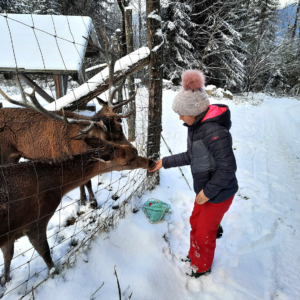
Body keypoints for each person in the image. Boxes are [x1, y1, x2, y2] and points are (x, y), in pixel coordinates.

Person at [149, 70, 238, 278]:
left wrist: (208, 192)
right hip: (207, 190)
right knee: (195, 223)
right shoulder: (197, 127)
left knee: (205, 232)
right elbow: (192, 155)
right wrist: (164, 162)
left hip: (219, 193)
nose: (180, 118)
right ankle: (194, 256)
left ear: (194, 111)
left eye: (181, 113)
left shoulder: (215, 132)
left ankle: (202, 266)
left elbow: (228, 169)